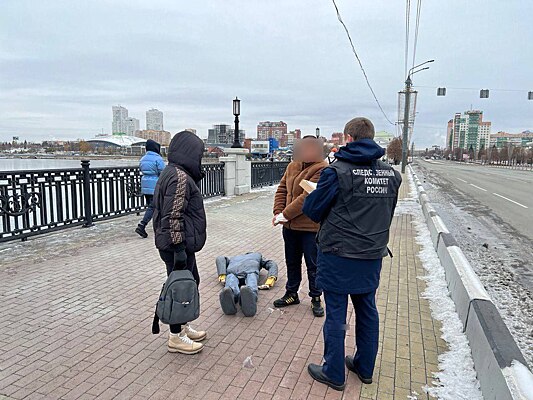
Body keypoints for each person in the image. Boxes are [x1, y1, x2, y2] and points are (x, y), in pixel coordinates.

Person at [302, 117, 402, 391]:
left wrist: (314, 196)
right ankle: (364, 367)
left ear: (348, 138)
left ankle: (334, 371)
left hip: (338, 255)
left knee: (336, 313)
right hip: (371, 256)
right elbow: (386, 213)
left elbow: (313, 210)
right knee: (367, 309)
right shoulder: (392, 175)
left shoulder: (337, 173)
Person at [152, 131, 207, 355]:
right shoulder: (180, 177)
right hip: (177, 245)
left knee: (191, 281)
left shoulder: (173, 171)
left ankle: (183, 326)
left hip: (177, 244)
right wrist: (180, 249)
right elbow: (172, 216)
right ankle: (176, 336)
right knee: (180, 288)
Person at [272, 136, 327, 317]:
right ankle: (291, 293)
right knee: (292, 261)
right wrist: (277, 211)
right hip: (290, 227)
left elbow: (307, 197)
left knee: (313, 264)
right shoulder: (292, 166)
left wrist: (284, 215)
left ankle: (316, 297)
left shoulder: (322, 169)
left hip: (310, 228)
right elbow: (282, 189)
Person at [216, 252, 278, 317]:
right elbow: (272, 264)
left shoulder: (234, 257)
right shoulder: (258, 256)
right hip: (251, 270)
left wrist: (222, 275)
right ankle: (250, 296)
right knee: (251, 285)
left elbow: (220, 258)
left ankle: (231, 295)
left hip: (233, 271)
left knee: (230, 284)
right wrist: (270, 280)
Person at [135, 139, 165, 238]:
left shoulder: (143, 158)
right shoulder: (158, 159)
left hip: (145, 184)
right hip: (155, 185)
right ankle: (142, 225)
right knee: (154, 207)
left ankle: (159, 225)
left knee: (151, 206)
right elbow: (163, 172)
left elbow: (141, 169)